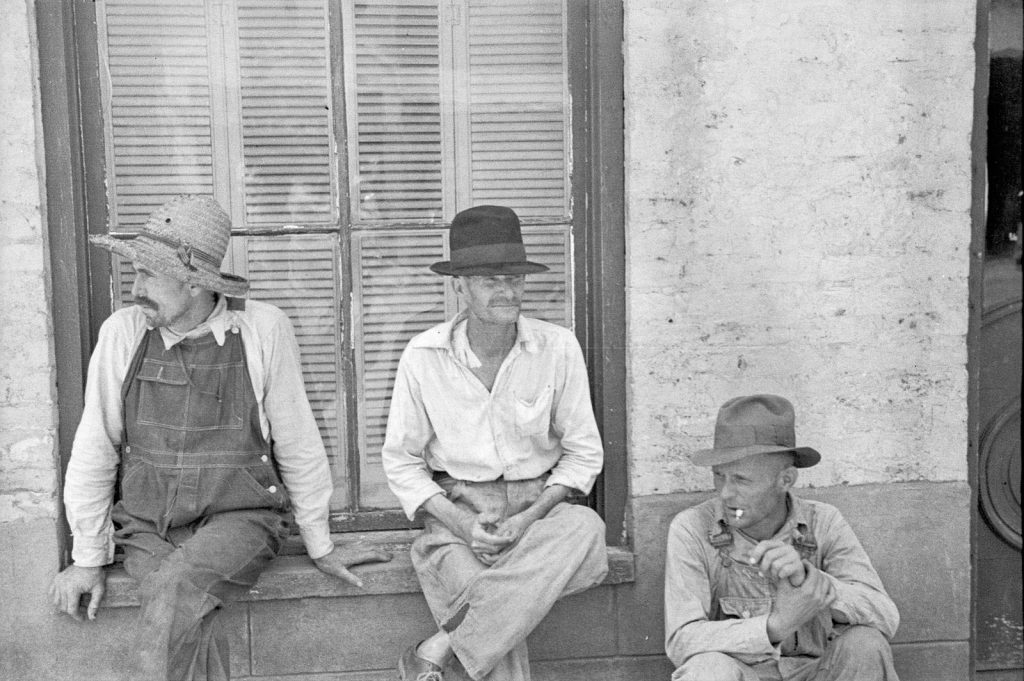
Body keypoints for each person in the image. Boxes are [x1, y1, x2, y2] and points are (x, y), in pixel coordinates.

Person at [48, 195, 390, 681]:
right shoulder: (122, 333)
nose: (136, 288)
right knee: (186, 609)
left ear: (192, 284)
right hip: (149, 524)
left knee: (173, 591)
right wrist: (87, 557)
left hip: (241, 517)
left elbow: (297, 440)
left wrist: (320, 541)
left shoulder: (261, 328)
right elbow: (95, 445)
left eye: (149, 275)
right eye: (135, 273)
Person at [381, 205, 609, 681]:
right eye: (489, 280)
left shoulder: (557, 346)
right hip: (460, 512)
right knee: (492, 603)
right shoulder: (423, 356)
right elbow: (401, 463)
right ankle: (451, 636)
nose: (507, 292)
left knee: (585, 528)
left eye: (515, 279)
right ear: (458, 286)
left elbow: (584, 452)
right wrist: (464, 525)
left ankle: (437, 645)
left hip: (541, 514)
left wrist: (526, 519)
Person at [664, 394, 901, 681]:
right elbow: (681, 641)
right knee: (708, 671)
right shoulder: (693, 528)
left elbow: (886, 616)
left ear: (785, 480)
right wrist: (775, 626)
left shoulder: (823, 522)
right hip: (745, 675)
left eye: (741, 479)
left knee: (866, 645)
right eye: (719, 476)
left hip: (818, 672)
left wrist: (813, 583)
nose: (725, 493)